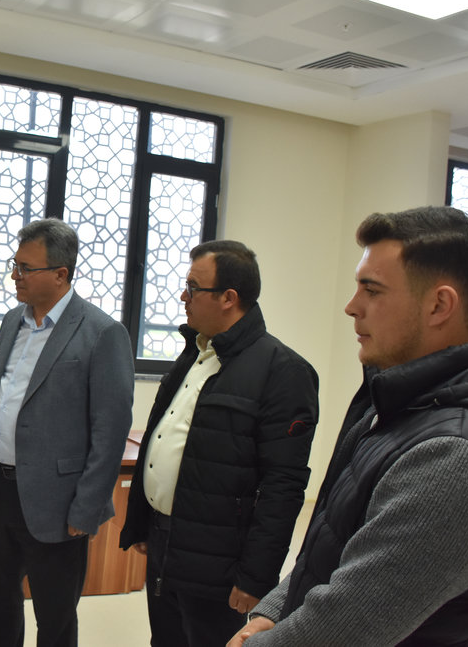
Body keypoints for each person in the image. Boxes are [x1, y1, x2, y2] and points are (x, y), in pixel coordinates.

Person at [228, 206, 468, 647]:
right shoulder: (402, 403)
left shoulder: (458, 456)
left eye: (371, 290)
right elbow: (336, 542)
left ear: (439, 305)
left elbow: (343, 628)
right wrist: (275, 610)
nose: (351, 307)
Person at [119, 239, 319, 646]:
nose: (184, 297)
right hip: (166, 542)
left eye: (193, 288)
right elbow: (165, 438)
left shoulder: (284, 371)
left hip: (220, 563)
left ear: (229, 298)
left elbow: (282, 486)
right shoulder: (196, 354)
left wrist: (256, 577)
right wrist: (143, 522)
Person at [0, 217, 134, 647]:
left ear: (61, 274)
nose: (15, 276)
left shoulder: (102, 332)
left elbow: (110, 431)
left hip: (59, 500)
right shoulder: (11, 322)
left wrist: (87, 507)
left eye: (26, 268)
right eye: (14, 265)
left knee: (54, 618)